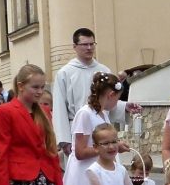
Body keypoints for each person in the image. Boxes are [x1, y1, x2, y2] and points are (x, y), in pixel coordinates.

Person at [51, 27, 130, 157]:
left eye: (91, 44)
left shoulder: (104, 70)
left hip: (103, 130)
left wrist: (125, 106)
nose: (89, 48)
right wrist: (64, 140)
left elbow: (108, 99)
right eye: (84, 44)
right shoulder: (65, 73)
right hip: (78, 131)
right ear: (75, 46)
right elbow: (59, 108)